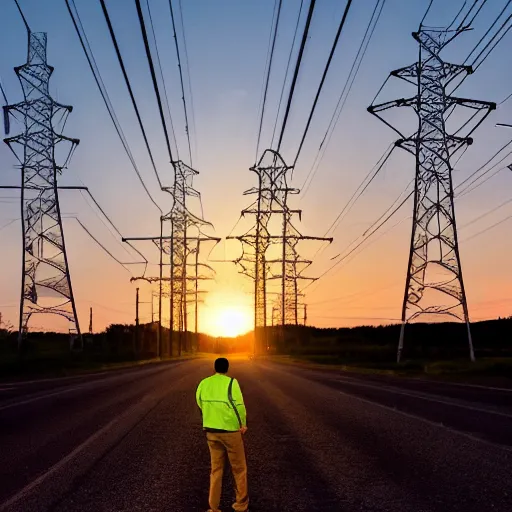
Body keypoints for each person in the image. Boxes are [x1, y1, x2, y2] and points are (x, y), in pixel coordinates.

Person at [196, 357, 249, 512]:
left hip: (211, 430)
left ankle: (213, 507)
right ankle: (240, 505)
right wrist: (242, 424)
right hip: (230, 430)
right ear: (227, 368)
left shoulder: (204, 383)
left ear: (214, 368)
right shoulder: (232, 382)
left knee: (216, 470)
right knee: (239, 469)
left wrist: (209, 417)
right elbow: (239, 405)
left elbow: (199, 402)